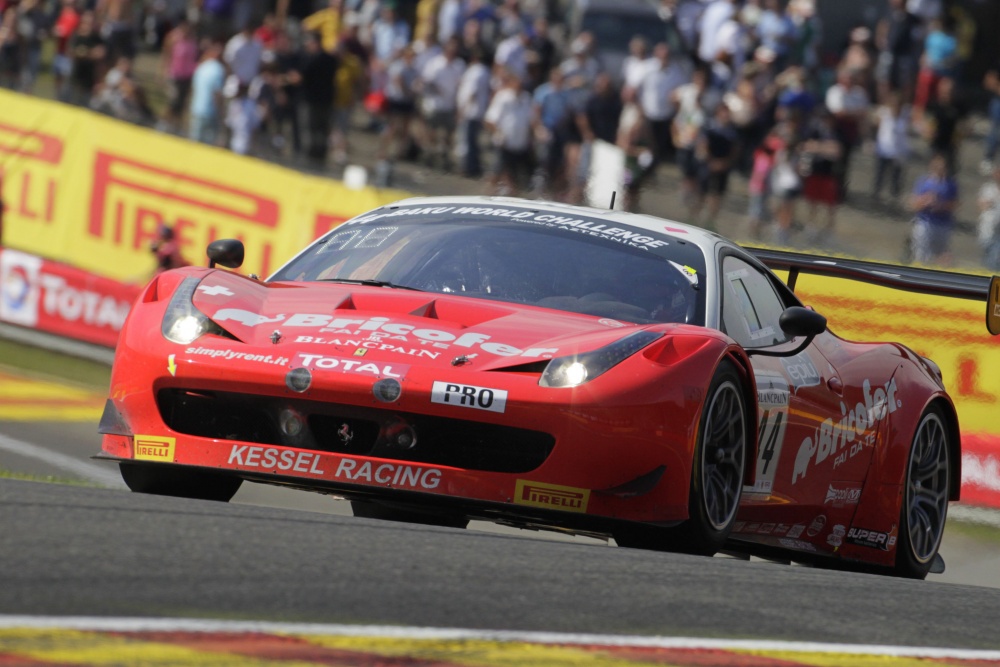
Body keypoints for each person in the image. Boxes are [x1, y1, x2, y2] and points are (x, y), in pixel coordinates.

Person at [908, 153, 957, 266]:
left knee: (941, 255)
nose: (940, 168)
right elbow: (913, 203)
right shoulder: (923, 182)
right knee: (921, 253)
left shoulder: (950, 184)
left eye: (942, 166)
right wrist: (925, 201)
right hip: (925, 222)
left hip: (943, 224)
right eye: (937, 165)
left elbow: (954, 204)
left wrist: (941, 205)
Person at [872, 92, 910, 204]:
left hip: (898, 152)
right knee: (880, 175)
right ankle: (876, 195)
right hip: (884, 150)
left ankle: (894, 198)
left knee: (896, 177)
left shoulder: (905, 114)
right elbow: (875, 123)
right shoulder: (884, 112)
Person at [977, 164, 1000, 271]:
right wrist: (989, 203)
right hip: (987, 229)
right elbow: (981, 205)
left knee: (994, 257)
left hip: (998, 233)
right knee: (988, 257)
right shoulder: (988, 188)